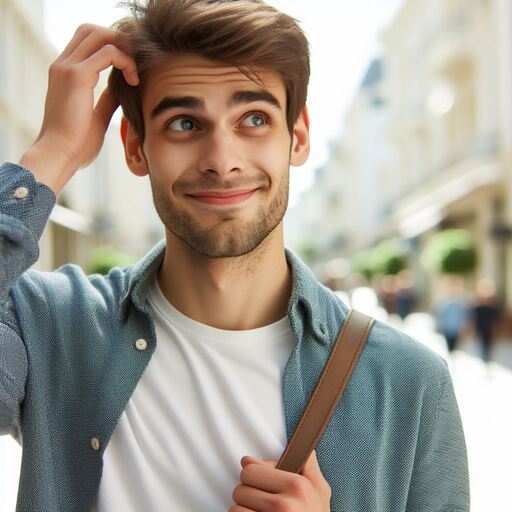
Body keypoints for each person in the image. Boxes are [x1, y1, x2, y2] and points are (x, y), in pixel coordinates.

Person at [0, 1, 470, 511]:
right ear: (135, 147)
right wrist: (53, 152)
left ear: (298, 135)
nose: (222, 161)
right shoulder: (49, 326)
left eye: (253, 118)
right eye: (184, 123)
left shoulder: (409, 382)